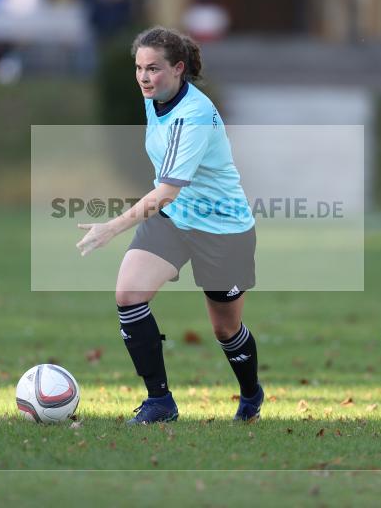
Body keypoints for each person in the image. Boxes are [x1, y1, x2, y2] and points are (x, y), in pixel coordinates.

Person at [76, 26, 262, 424]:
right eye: (139, 68)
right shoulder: (156, 97)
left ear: (178, 69)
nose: (144, 77)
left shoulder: (194, 115)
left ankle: (251, 394)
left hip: (222, 228)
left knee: (226, 330)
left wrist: (111, 227)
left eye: (154, 69)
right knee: (129, 295)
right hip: (175, 220)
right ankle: (159, 402)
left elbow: (166, 192)